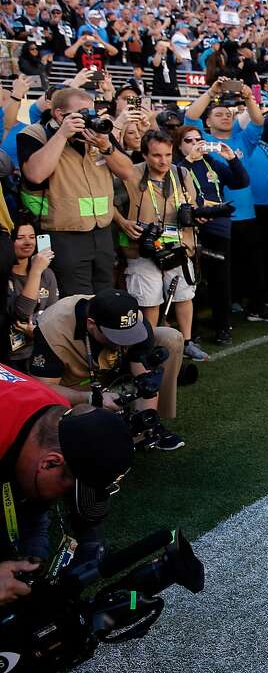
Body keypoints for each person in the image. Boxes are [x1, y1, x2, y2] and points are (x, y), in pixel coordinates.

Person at [0, 368, 134, 601]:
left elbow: (33, 502)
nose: (65, 499)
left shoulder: (58, 413)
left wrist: (34, 550)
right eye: (68, 491)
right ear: (50, 462)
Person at [27, 288, 185, 450]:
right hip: (75, 381)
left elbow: (144, 378)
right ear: (91, 324)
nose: (125, 342)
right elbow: (44, 387)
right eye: (118, 336)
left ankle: (153, 427)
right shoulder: (54, 327)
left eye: (129, 335)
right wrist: (90, 398)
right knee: (80, 429)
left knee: (169, 338)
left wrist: (145, 424)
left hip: (114, 368)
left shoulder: (131, 317)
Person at [17, 87, 138, 296]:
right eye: (82, 114)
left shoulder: (99, 133)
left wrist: (106, 146)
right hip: (63, 231)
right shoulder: (35, 134)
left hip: (102, 231)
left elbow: (128, 172)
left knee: (104, 293)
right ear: (59, 114)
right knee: (75, 299)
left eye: (90, 113)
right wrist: (63, 134)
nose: (88, 119)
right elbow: (35, 174)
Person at [111, 129, 208, 362]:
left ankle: (187, 342)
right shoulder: (128, 174)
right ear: (144, 155)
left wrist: (197, 216)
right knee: (149, 300)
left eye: (168, 154)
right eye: (156, 155)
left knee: (184, 296)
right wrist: (123, 222)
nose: (163, 161)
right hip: (142, 249)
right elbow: (107, 202)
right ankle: (147, 345)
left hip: (179, 247)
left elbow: (192, 204)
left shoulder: (182, 173)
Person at [175, 125, 248, 347]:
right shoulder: (177, 166)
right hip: (189, 230)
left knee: (220, 280)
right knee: (191, 281)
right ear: (179, 145)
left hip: (218, 228)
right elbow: (174, 182)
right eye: (189, 140)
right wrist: (188, 160)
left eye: (199, 139)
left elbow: (242, 181)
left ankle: (223, 327)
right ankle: (192, 330)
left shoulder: (212, 164)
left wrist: (232, 158)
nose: (196, 144)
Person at [6, 220, 59, 372]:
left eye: (32, 236)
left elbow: (53, 313)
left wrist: (38, 332)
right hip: (11, 354)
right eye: (20, 237)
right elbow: (22, 312)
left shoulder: (47, 274)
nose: (28, 242)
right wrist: (36, 271)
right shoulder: (6, 276)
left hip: (41, 347)